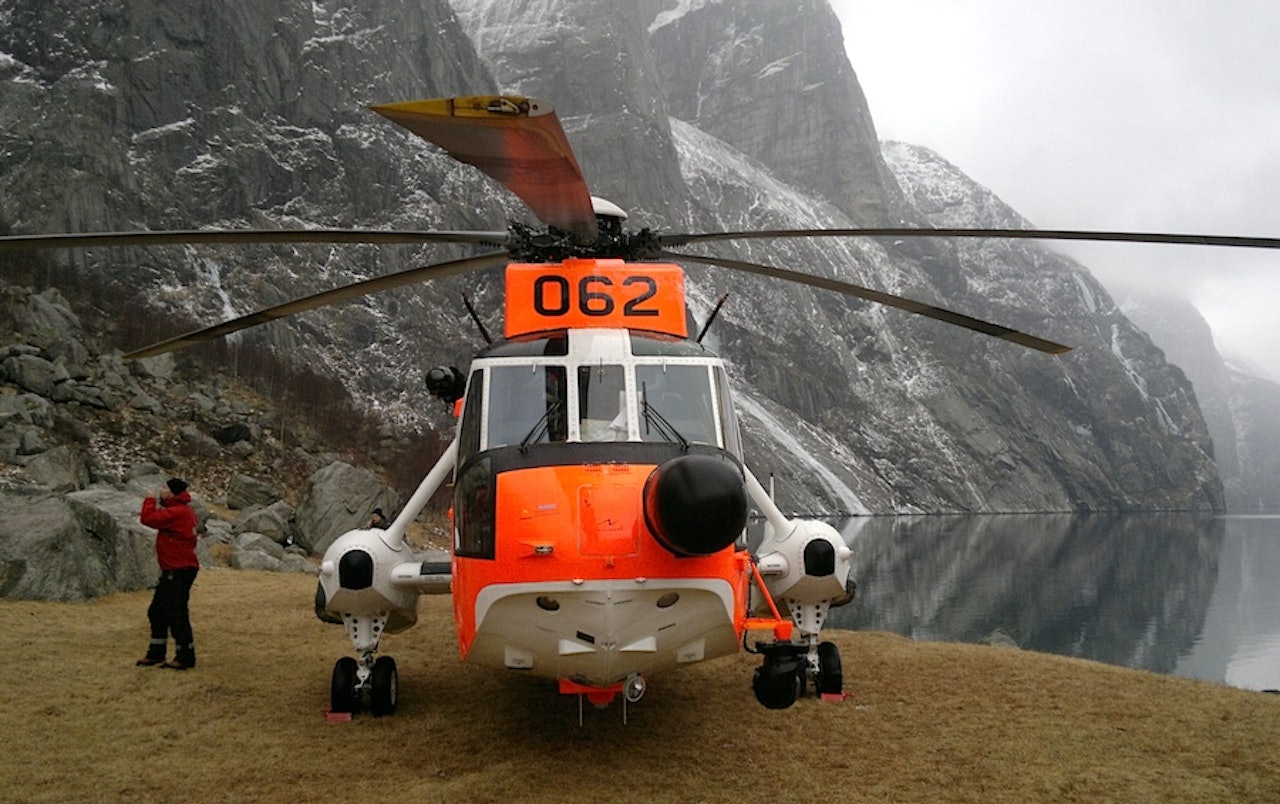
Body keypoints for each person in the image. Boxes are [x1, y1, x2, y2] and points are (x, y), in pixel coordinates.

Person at [136, 478, 200, 670]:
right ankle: (157, 652)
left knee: (176, 613)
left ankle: (185, 656)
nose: (161, 490)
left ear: (172, 493)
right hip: (176, 569)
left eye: (164, 488)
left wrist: (149, 500)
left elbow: (148, 519)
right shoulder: (181, 511)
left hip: (178, 570)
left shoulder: (178, 512)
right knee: (157, 611)